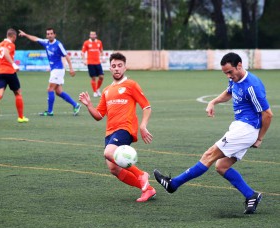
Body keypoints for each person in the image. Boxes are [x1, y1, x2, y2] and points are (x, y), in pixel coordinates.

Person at [154, 52, 273, 214]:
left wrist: (259, 138)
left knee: (208, 155)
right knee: (221, 166)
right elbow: (229, 92)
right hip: (239, 127)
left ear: (239, 65)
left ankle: (173, 184)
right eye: (225, 73)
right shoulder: (234, 80)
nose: (229, 76)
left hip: (246, 129)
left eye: (230, 72)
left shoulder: (252, 86)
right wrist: (213, 101)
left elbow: (268, 114)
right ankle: (251, 195)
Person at [79, 52, 156, 202]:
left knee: (108, 153)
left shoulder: (131, 85)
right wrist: (89, 105)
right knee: (114, 169)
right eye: (113, 66)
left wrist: (143, 125)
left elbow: (146, 106)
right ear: (110, 68)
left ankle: (141, 175)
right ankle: (147, 189)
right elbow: (99, 116)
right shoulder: (107, 90)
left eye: (119, 66)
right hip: (110, 132)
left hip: (125, 128)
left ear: (125, 67)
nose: (116, 69)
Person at [18, 28, 81, 116]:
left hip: (58, 70)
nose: (49, 35)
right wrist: (25, 35)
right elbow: (35, 38)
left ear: (54, 35)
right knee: (58, 92)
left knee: (50, 89)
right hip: (54, 70)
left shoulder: (58, 44)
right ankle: (76, 105)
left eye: (51, 33)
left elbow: (66, 56)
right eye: (48, 34)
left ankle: (50, 111)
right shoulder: (46, 42)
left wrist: (71, 68)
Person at [0, 28, 29, 123]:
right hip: (9, 72)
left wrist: (0, 63)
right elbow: (6, 52)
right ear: (13, 36)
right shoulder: (11, 44)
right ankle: (20, 117)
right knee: (18, 93)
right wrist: (13, 64)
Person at [81, 31, 105, 97]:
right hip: (90, 63)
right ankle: (95, 92)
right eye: (91, 34)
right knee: (93, 78)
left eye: (94, 34)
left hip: (98, 62)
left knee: (101, 77)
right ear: (89, 35)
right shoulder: (86, 43)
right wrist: (84, 60)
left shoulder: (99, 42)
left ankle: (97, 89)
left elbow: (101, 50)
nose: (92, 36)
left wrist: (103, 57)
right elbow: (82, 52)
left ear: (96, 35)